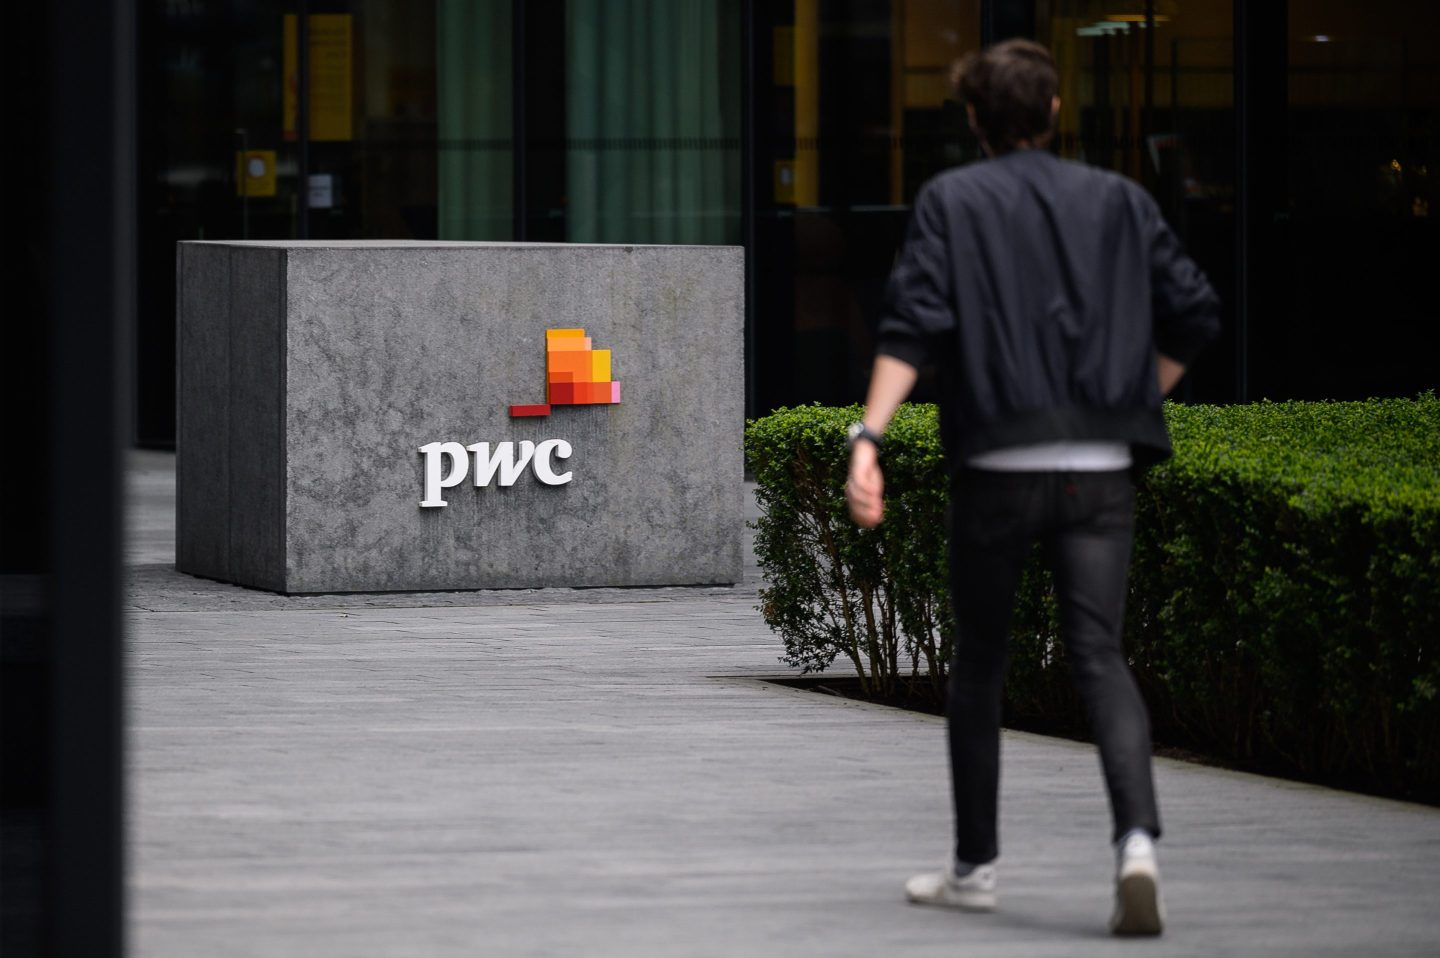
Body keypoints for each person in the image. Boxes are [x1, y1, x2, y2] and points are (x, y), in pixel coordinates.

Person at [844, 38, 1220, 937]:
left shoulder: (951, 201)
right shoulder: (1121, 200)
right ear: (1054, 111)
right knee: (1099, 656)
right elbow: (1195, 312)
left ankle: (975, 869)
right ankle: (1137, 846)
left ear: (974, 118)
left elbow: (912, 325)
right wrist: (1133, 400)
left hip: (997, 468)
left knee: (981, 662)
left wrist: (870, 438)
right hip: (1101, 470)